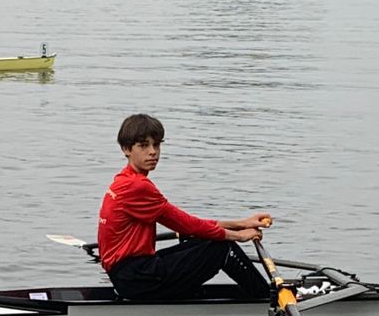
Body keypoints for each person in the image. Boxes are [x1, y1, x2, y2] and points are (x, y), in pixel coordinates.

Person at [97, 113, 273, 302]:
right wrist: (238, 236)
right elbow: (187, 225)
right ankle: (268, 301)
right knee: (222, 248)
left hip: (129, 275)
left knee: (205, 240)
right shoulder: (137, 187)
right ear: (126, 149)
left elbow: (188, 224)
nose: (153, 152)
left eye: (156, 145)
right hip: (136, 278)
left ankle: (262, 295)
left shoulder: (123, 181)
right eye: (144, 145)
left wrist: (242, 224)